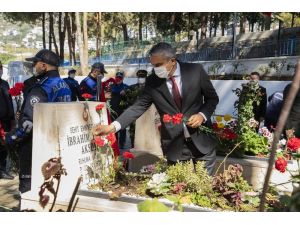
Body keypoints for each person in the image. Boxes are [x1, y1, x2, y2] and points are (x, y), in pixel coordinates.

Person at [93, 42, 219, 175]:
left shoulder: (195, 71)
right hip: (175, 147)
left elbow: (212, 98)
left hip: (202, 142)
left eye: (159, 65)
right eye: (153, 65)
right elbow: (138, 107)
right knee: (180, 191)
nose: (155, 69)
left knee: (205, 190)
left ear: (172, 61)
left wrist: (202, 115)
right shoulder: (153, 81)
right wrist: (112, 127)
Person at [4, 49, 71, 193]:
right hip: (57, 144)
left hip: (35, 146)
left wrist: (10, 138)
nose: (33, 66)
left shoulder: (41, 88)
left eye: (35, 63)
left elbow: (28, 125)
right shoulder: (65, 85)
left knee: (29, 189)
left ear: (43, 66)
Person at [0, 61, 15, 179]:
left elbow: (9, 101)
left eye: (0, 68)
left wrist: (12, 119)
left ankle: (2, 169)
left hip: (6, 121)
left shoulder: (5, 84)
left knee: (4, 146)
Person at [110, 71, 129, 149]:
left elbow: (129, 98)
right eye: (117, 77)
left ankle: (122, 143)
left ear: (123, 78)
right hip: (113, 109)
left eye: (120, 78)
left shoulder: (126, 87)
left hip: (122, 110)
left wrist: (126, 93)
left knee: (122, 128)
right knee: (114, 127)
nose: (118, 79)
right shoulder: (111, 86)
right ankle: (114, 142)